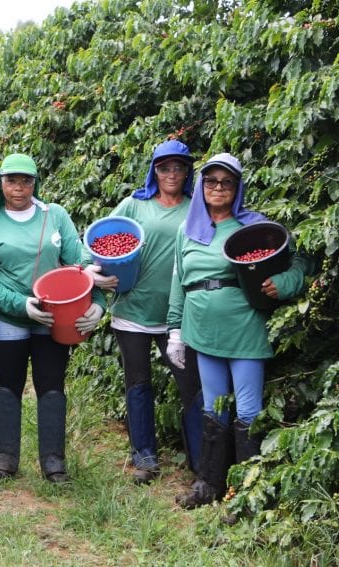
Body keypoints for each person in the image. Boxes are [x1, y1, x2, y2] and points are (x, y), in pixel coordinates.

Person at [166, 153, 310, 508]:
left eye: (226, 182)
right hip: (201, 330)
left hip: (244, 328)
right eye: (211, 181)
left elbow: (299, 263)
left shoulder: (253, 228)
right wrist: (174, 330)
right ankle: (208, 485)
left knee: (247, 411)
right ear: (200, 186)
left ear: (237, 188)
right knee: (214, 409)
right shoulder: (187, 230)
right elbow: (178, 282)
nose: (218, 188)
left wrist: (283, 283)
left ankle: (246, 495)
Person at [0, 153, 105, 484]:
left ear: (36, 183)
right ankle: (5, 457)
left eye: (26, 181)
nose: (19, 188)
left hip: (52, 319)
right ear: (0, 184)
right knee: (8, 384)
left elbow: (82, 264)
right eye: (11, 181)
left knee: (51, 385)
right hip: (8, 320)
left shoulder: (55, 216)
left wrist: (98, 305)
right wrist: (19, 304)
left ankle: (53, 459)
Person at [88, 140, 204, 485]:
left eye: (178, 168)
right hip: (133, 312)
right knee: (138, 384)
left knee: (191, 387)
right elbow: (102, 246)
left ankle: (200, 460)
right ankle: (145, 457)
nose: (172, 174)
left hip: (178, 317)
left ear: (187, 172)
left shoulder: (196, 210)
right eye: (164, 167)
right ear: (155, 171)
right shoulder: (134, 205)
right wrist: (99, 274)